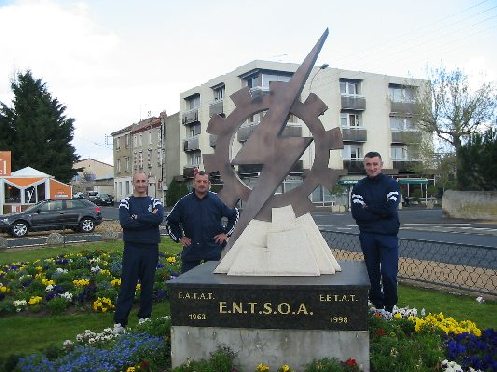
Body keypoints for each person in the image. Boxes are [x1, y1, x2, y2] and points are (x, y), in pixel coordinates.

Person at [350, 152, 401, 313]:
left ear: (381, 164)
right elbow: (357, 214)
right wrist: (380, 211)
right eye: (368, 164)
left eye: (375, 164)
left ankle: (390, 306)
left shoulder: (391, 184)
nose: (372, 168)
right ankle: (378, 307)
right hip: (367, 236)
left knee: (388, 274)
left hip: (388, 236)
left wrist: (369, 207)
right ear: (364, 166)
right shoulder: (359, 187)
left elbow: (391, 209)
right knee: (372, 274)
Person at [113, 172, 164, 331]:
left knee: (148, 284)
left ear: (147, 183)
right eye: (138, 181)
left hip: (150, 247)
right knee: (128, 284)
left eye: (143, 181)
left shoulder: (155, 201)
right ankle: (120, 322)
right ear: (133, 183)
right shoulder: (126, 202)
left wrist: (137, 217)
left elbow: (159, 219)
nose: (141, 184)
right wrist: (148, 218)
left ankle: (145, 317)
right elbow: (125, 222)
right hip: (132, 248)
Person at [166, 170, 239, 273]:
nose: (202, 184)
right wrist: (179, 237)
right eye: (199, 181)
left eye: (205, 182)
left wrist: (226, 234)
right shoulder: (184, 202)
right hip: (192, 250)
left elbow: (234, 214)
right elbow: (170, 221)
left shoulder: (218, 200)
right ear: (194, 183)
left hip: (214, 250)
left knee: (214, 284)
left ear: (209, 184)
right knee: (187, 284)